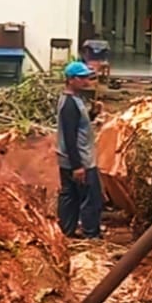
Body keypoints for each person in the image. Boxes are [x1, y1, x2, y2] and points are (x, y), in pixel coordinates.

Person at [57, 60, 104, 239]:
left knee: (70, 197)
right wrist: (77, 166)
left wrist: (92, 114)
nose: (87, 81)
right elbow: (70, 136)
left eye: (87, 77)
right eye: (82, 78)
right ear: (70, 79)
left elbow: (78, 126)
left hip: (68, 159)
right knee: (91, 199)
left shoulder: (73, 100)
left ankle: (66, 233)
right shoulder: (70, 104)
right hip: (80, 160)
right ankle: (91, 236)